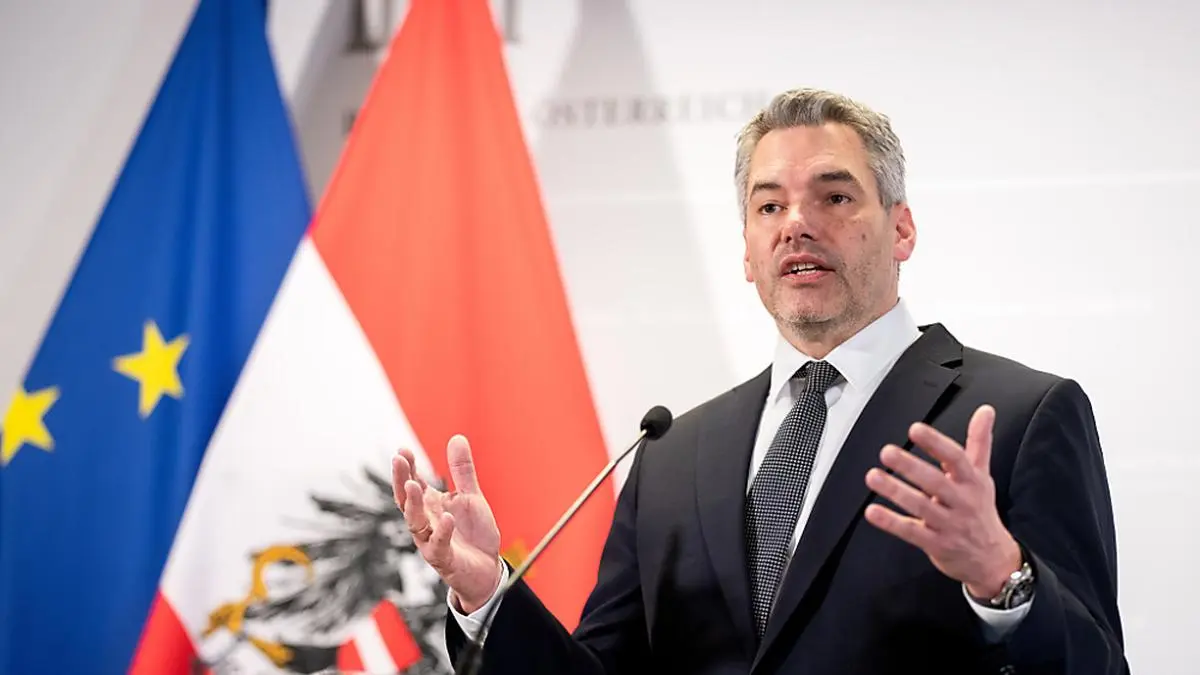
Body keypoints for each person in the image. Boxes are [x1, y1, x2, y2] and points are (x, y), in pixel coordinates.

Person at [390, 87, 1128, 675]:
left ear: (901, 229)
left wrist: (1004, 579)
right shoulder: (673, 454)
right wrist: (487, 595)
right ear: (747, 250)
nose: (796, 224)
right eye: (769, 205)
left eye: (835, 197)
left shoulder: (1019, 416)